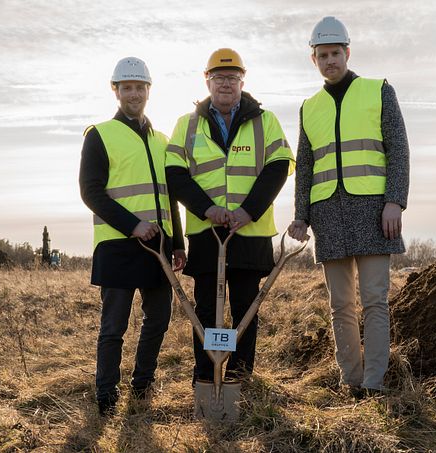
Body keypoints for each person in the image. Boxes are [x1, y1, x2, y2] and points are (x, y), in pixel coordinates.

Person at [288, 17, 410, 397]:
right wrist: (300, 216)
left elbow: (398, 150)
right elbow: (305, 166)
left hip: (375, 214)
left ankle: (374, 384)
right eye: (322, 55)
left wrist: (395, 202)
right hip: (328, 216)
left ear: (347, 53)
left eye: (335, 53)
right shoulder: (309, 108)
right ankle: (350, 382)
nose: (330, 61)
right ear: (314, 59)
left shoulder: (378, 91)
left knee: (375, 302)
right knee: (340, 305)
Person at [165, 48, 294, 385]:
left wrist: (247, 211)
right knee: (206, 311)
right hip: (207, 234)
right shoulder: (187, 124)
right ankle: (207, 376)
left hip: (249, 233)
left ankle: (238, 377)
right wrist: (207, 209)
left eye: (232, 77)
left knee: (245, 311)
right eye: (219, 77)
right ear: (207, 81)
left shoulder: (266, 122)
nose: (225, 83)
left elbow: (279, 167)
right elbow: (175, 174)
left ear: (242, 81)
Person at [79, 57, 186, 416]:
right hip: (118, 245)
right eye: (127, 87)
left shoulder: (163, 140)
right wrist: (133, 225)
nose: (134, 94)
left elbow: (170, 196)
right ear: (116, 91)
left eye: (140, 87)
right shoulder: (99, 135)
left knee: (159, 320)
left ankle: (142, 385)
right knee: (114, 327)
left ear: (148, 91)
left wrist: (178, 242)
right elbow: (91, 192)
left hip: (158, 245)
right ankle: (106, 395)